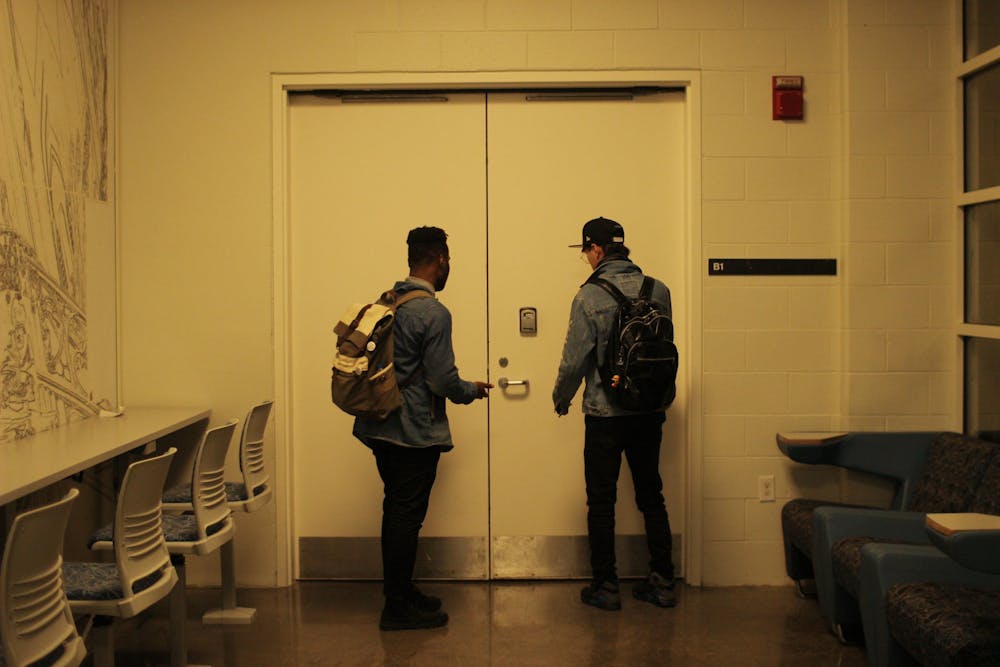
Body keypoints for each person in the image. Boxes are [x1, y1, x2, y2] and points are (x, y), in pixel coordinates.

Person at [353, 226, 492, 631]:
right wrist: (471, 391)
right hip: (413, 432)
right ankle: (396, 609)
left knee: (395, 512)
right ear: (441, 260)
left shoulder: (390, 301)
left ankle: (402, 591)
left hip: (379, 426)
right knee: (405, 518)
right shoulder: (433, 312)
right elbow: (441, 381)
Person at [552, 216, 677, 611]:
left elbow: (575, 359)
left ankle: (606, 587)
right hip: (649, 409)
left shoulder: (589, 296)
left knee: (602, 501)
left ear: (597, 249)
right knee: (651, 495)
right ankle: (662, 582)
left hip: (605, 413)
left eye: (586, 252)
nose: (586, 260)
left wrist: (561, 397)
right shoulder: (659, 289)